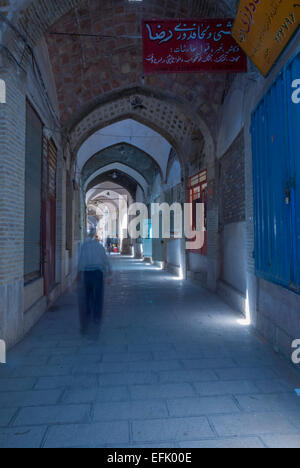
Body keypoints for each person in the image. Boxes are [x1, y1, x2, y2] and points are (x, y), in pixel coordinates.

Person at [78, 226, 112, 334]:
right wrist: (109, 273)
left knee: (87, 296)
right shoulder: (99, 246)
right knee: (98, 296)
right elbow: (105, 260)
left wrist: (78, 274)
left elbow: (81, 260)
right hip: (98, 274)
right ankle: (96, 317)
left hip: (87, 274)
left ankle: (87, 316)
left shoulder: (84, 247)